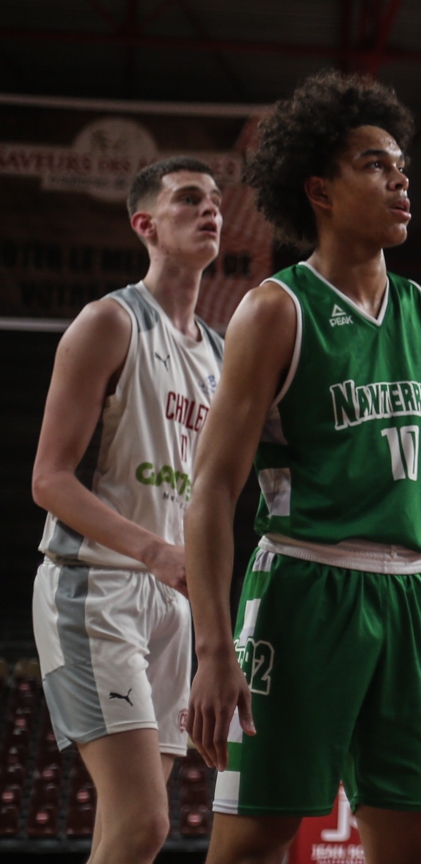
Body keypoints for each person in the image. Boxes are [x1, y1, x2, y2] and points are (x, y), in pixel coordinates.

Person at [184, 71, 421, 864]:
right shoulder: (277, 309)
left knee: (418, 841)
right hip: (303, 590)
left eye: (401, 164)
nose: (400, 178)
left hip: (407, 598)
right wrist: (214, 649)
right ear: (318, 189)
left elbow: (420, 497)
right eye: (375, 164)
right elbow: (210, 488)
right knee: (253, 841)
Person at [29, 159, 225, 864]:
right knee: (145, 822)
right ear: (145, 224)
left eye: (216, 202)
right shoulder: (109, 321)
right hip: (95, 584)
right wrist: (153, 550)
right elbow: (49, 479)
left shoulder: (222, 357)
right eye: (189, 199)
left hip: (171, 602)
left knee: (125, 832)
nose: (211, 211)